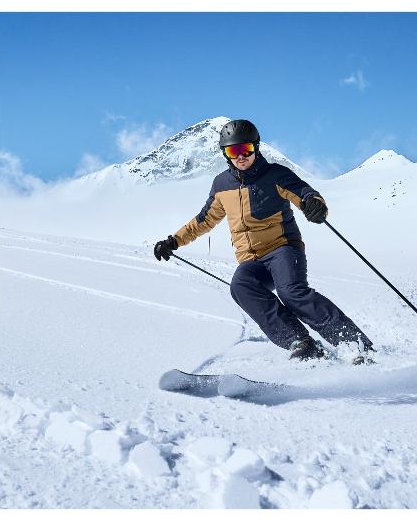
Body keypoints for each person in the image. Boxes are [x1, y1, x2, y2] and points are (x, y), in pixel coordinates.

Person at [153, 119, 374, 365]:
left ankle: (354, 343)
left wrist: (314, 205)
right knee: (241, 286)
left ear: (256, 148)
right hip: (251, 260)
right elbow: (204, 220)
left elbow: (305, 193)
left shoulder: (275, 175)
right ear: (225, 154)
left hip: (283, 248)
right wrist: (173, 241)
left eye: (245, 150)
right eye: (233, 152)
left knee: (291, 292)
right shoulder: (221, 185)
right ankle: (300, 342)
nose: (240, 157)